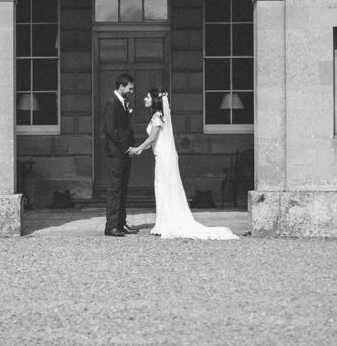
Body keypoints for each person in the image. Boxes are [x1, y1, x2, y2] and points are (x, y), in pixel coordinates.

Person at [128, 88, 238, 240]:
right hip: (162, 155)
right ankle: (164, 222)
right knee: (163, 188)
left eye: (147, 97)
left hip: (164, 157)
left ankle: (166, 223)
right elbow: (156, 140)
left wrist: (137, 148)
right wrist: (143, 150)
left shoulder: (158, 116)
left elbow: (152, 138)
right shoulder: (157, 116)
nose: (144, 99)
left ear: (154, 100)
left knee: (164, 187)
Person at [102, 73, 140, 237]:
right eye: (130, 88)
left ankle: (120, 223)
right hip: (117, 154)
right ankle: (111, 226)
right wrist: (127, 148)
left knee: (123, 188)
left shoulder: (123, 102)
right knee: (115, 189)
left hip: (124, 153)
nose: (131, 91)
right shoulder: (111, 103)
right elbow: (112, 130)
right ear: (121, 86)